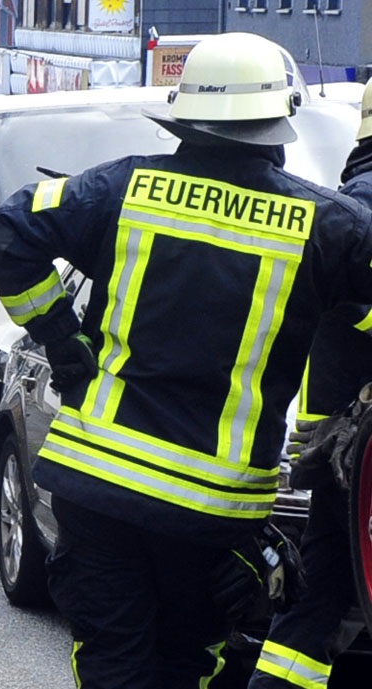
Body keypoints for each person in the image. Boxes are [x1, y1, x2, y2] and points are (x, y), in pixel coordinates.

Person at [0, 32, 372, 688]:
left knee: (114, 664)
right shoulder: (327, 224)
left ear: (186, 119)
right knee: (187, 664)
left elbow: (7, 232)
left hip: (98, 489)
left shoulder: (120, 189)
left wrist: (60, 338)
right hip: (210, 512)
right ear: (279, 122)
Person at [246, 80, 372, 689]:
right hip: (357, 445)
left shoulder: (353, 196)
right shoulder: (366, 203)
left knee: (326, 593)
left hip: (340, 441)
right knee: (330, 592)